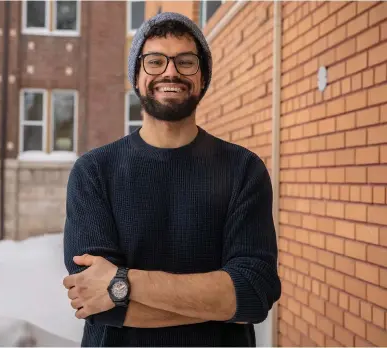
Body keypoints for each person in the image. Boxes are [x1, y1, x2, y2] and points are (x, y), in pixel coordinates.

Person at [62, 12, 281, 347]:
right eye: (154, 61)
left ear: (204, 77)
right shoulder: (94, 171)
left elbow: (254, 291)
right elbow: (94, 300)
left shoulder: (243, 169)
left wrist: (121, 285)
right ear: (136, 77)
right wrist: (220, 302)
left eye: (186, 61)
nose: (170, 72)